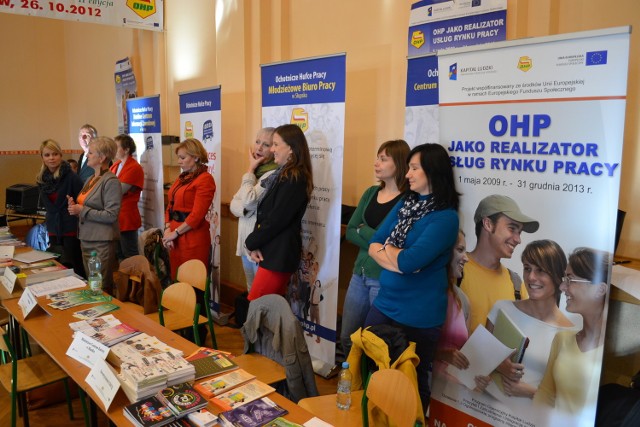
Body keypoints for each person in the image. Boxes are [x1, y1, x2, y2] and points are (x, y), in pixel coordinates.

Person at [364, 143, 460, 411]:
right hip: (385, 303)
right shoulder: (406, 203)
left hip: (419, 315)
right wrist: (397, 257)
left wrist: (392, 255)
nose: (408, 174)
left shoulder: (445, 218)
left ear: (433, 171)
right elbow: (374, 243)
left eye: (415, 168)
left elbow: (410, 261)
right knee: (373, 368)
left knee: (411, 385)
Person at [340, 139, 409, 357]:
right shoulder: (370, 193)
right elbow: (351, 230)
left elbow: (396, 242)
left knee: (375, 343)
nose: (376, 163)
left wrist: (365, 231)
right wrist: (377, 240)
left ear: (398, 163)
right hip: (358, 275)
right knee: (347, 337)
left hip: (383, 279)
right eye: (377, 158)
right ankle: (351, 381)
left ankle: (371, 388)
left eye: (383, 159)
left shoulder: (408, 200)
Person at [486, 240, 578, 399]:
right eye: (527, 268)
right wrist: (498, 364)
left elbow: (567, 400)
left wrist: (531, 393)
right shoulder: (502, 309)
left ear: (558, 276)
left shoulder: (570, 334)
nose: (531, 277)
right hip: (485, 408)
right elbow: (476, 359)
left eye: (541, 270)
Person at [534, 247, 611, 416]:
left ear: (600, 289)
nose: (562, 286)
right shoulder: (562, 339)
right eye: (564, 279)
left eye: (570, 280)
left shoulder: (613, 356)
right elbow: (545, 394)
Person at [244, 124, 313, 301]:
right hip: (272, 251)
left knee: (259, 307)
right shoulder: (284, 174)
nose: (272, 149)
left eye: (275, 144)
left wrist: (251, 242)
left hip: (279, 254)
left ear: (290, 148)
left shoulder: (294, 177)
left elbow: (276, 219)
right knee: (264, 309)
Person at [460, 194, 539, 333]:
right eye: (512, 228)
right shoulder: (455, 271)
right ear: (488, 224)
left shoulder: (516, 284)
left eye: (519, 232)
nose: (518, 239)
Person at [67, 136, 122, 294]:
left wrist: (82, 210)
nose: (87, 155)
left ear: (102, 157)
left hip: (101, 241)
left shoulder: (111, 181)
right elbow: (86, 206)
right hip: (86, 238)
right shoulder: (91, 178)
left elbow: (111, 215)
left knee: (101, 286)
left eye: (90, 153)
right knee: (92, 284)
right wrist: (74, 207)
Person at [229, 127, 278, 291]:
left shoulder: (272, 175)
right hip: (245, 243)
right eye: (257, 142)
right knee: (251, 290)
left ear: (274, 149)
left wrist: (249, 169)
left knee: (261, 294)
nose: (259, 148)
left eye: (265, 144)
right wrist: (243, 209)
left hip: (259, 246)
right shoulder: (255, 174)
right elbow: (233, 203)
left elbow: (248, 201)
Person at [162, 138, 215, 279]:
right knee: (177, 280)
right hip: (175, 236)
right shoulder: (182, 178)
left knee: (191, 284)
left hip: (193, 239)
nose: (179, 161)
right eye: (178, 157)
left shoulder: (205, 179)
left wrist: (175, 233)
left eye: (182, 157)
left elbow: (197, 215)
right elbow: (170, 206)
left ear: (196, 157)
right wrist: (168, 229)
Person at [36, 139, 85, 277]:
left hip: (70, 226)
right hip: (53, 227)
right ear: (42, 157)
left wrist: (75, 207)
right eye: (47, 155)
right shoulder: (41, 179)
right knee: (57, 265)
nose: (51, 158)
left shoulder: (71, 177)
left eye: (55, 154)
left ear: (60, 155)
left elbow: (83, 201)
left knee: (74, 264)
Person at [110, 134, 144, 259]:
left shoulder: (134, 167)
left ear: (126, 149)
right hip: (115, 216)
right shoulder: (115, 165)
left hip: (127, 217)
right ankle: (122, 279)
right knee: (118, 254)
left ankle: (133, 279)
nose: (113, 149)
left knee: (130, 254)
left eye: (116, 147)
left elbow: (117, 190)